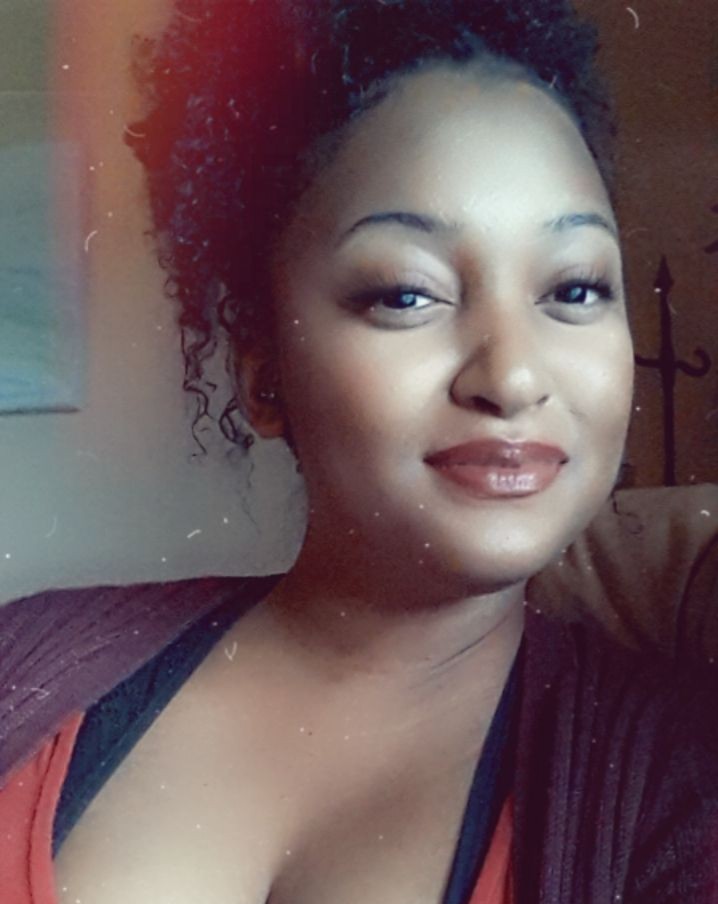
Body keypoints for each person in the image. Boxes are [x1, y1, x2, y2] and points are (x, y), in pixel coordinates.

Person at [1, 1, 717, 902]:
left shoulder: (679, 790)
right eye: (407, 294)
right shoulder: (22, 666)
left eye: (574, 288)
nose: (513, 375)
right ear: (266, 373)